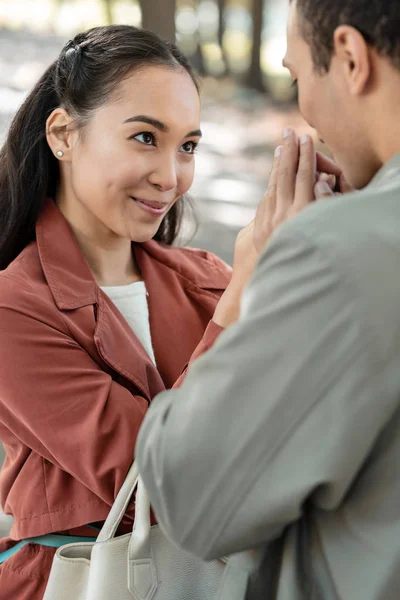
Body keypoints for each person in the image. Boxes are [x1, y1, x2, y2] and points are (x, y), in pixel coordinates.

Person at [0, 24, 308, 599]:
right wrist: (243, 298)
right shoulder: (14, 308)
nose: (172, 177)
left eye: (188, 146)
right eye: (146, 137)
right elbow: (163, 484)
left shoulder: (208, 278)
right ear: (64, 133)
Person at [136, 1, 400, 598]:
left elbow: (189, 493)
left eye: (297, 75)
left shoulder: (336, 252)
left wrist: (276, 271)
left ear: (352, 60)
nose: (168, 177)